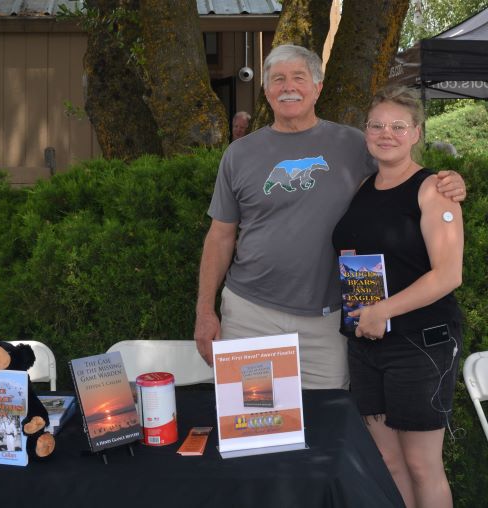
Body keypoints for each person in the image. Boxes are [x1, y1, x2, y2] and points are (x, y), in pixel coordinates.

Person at [193, 44, 465, 389]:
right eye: (278, 79)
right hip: (250, 313)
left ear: (317, 88)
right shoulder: (239, 154)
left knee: (327, 426)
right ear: (266, 90)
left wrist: (446, 182)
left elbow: (403, 176)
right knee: (251, 424)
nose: (288, 87)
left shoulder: (354, 145)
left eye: (298, 78)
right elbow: (220, 235)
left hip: (328, 319)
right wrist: (205, 311)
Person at [332, 86, 461, 508]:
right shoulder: (364, 186)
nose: (386, 134)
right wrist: (367, 315)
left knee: (423, 465)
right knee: (387, 461)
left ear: (417, 133)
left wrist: (382, 310)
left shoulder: (434, 189)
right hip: (367, 342)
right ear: (365, 131)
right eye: (376, 125)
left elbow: (448, 275)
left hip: (420, 344)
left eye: (398, 126)